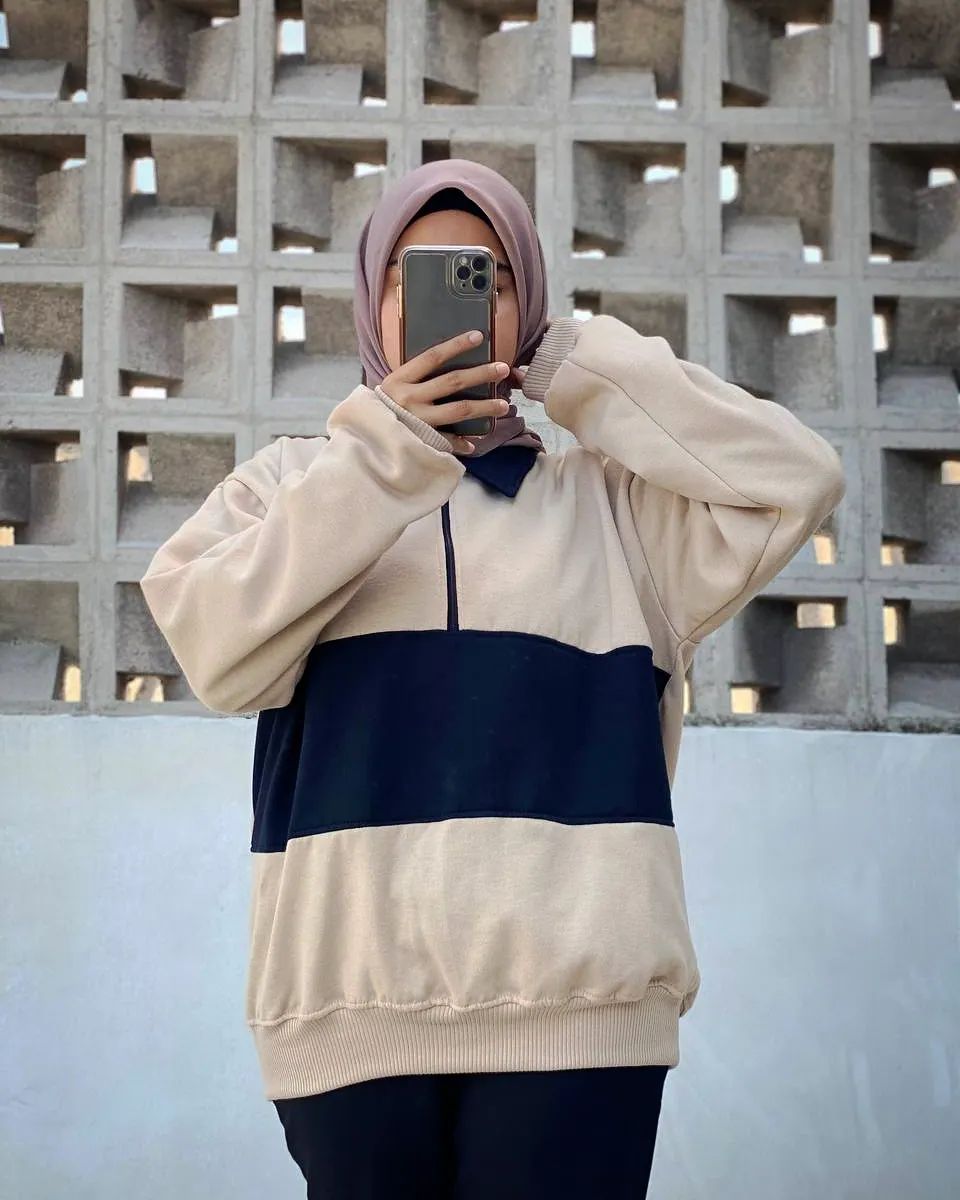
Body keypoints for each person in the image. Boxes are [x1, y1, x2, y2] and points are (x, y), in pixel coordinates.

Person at [139, 159, 846, 1198]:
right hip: (350, 1019)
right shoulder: (290, 487)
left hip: (585, 1022)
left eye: (488, 279)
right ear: (372, 302)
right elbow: (213, 652)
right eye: (411, 278)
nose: (453, 303)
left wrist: (571, 364)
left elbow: (797, 479)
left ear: (531, 303)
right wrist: (385, 458)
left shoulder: (617, 511)